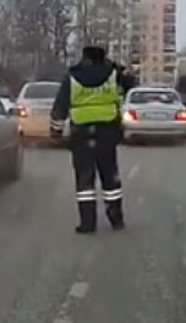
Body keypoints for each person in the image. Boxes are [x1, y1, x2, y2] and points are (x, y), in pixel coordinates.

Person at [49, 45, 136, 234]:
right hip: (107, 132)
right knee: (110, 177)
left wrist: (55, 132)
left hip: (81, 134)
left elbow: (60, 107)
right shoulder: (112, 74)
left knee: (84, 179)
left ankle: (87, 223)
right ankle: (116, 219)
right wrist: (117, 68)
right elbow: (132, 84)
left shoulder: (72, 77)